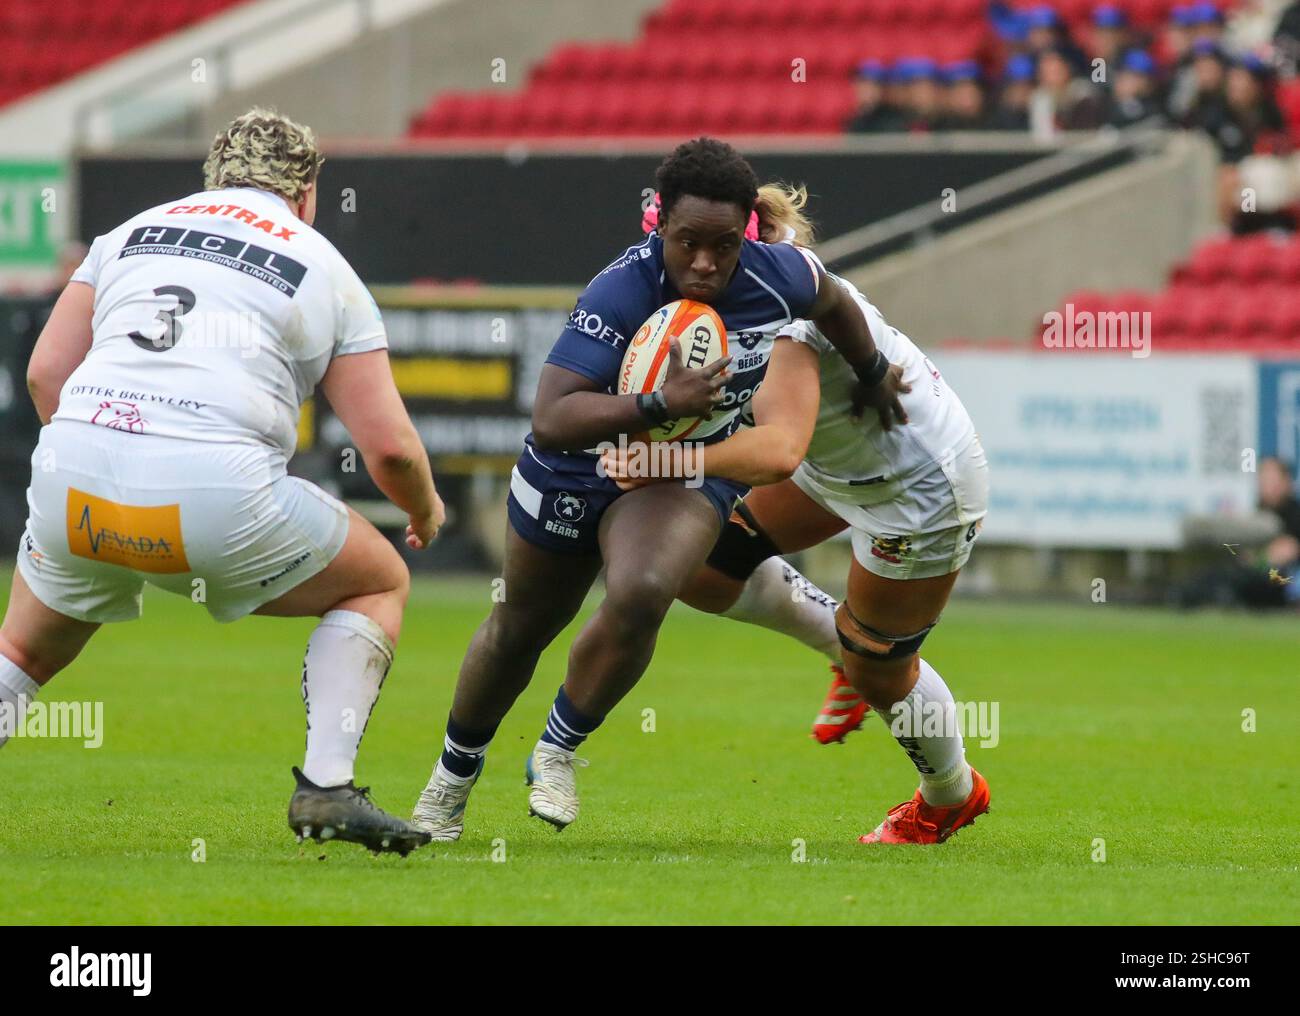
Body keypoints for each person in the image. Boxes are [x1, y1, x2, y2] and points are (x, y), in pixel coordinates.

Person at [411, 138, 906, 840]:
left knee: (644, 590)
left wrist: (871, 367)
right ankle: (451, 780)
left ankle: (556, 748)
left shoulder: (780, 275)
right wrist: (657, 403)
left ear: (749, 234)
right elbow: (553, 418)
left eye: (724, 245)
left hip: (686, 469)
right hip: (580, 464)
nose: (704, 263)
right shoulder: (624, 287)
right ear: (659, 226)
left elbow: (833, 300)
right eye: (687, 243)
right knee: (522, 628)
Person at [0, 108, 442, 855]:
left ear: (213, 178)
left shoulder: (128, 232)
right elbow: (391, 450)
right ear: (306, 192)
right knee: (377, 581)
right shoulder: (321, 261)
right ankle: (327, 789)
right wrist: (425, 511)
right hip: (212, 499)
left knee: (21, 655)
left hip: (74, 478)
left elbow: (46, 372)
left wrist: (103, 463)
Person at [604, 186, 992, 845]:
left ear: (738, 250)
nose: (679, 266)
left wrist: (664, 463)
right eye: (674, 246)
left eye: (704, 249)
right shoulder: (723, 296)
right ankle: (836, 643)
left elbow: (778, 450)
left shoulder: (782, 314)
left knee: (881, 672)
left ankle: (950, 795)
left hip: (916, 490)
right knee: (696, 566)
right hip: (836, 462)